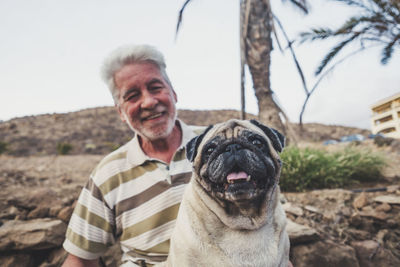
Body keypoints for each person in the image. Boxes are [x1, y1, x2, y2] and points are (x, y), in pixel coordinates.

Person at [61, 44, 204, 266]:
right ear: (120, 112)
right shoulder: (108, 173)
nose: (148, 102)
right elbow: (80, 259)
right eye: (132, 95)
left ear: (173, 93)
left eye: (155, 88)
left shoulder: (217, 145)